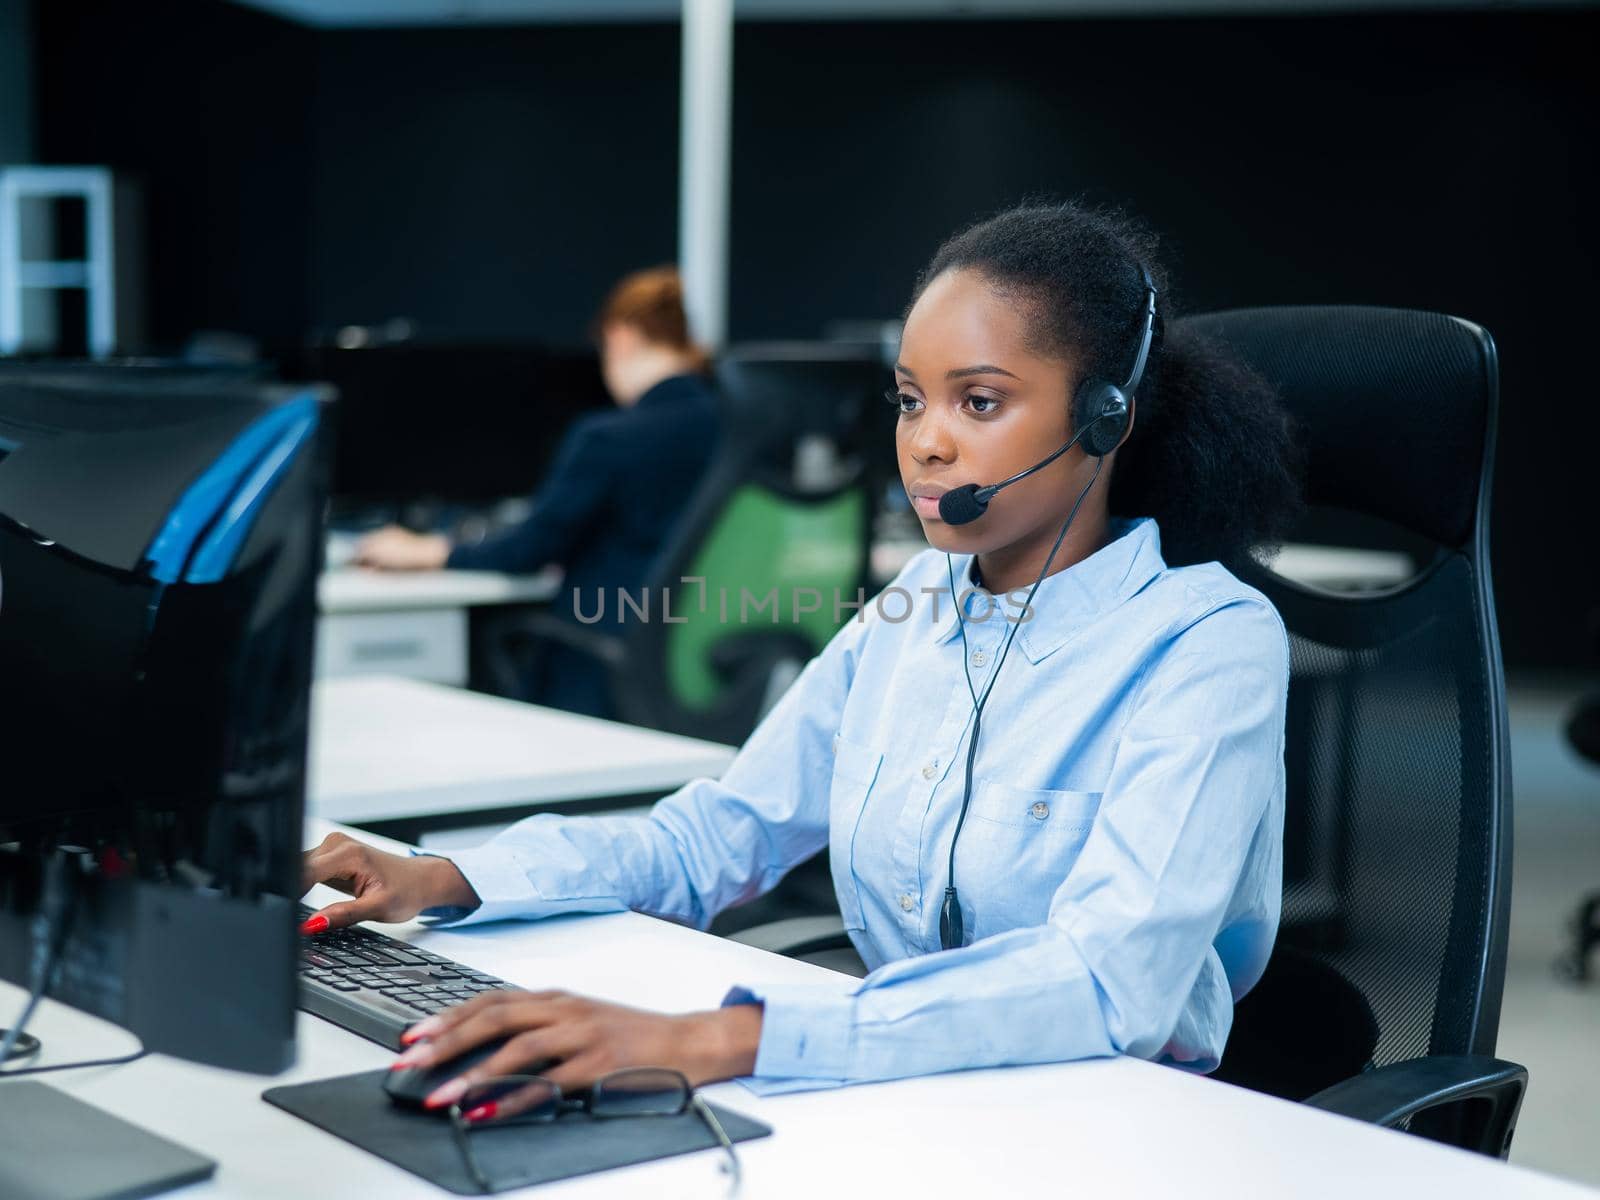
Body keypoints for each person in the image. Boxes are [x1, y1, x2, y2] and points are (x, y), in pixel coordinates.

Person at [302, 201, 1303, 1105]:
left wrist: (722, 1037)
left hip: (1112, 1114)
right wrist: (453, 879)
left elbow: (1105, 983)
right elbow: (723, 833)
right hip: (911, 1083)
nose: (927, 443)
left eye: (980, 402)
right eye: (911, 401)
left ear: (1104, 418)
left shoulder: (1203, 643)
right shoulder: (917, 605)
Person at [353, 266, 720, 716]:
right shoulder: (739, 429)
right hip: (697, 667)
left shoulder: (611, 437)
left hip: (604, 665)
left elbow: (530, 548)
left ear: (621, 337)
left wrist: (432, 551)